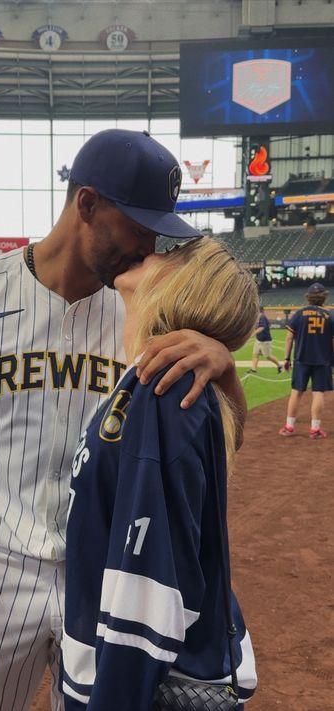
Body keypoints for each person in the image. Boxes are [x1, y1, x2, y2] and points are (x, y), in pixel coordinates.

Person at [0, 129, 247, 711]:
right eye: (137, 223)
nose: (148, 243)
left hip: (107, 575)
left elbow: (219, 439)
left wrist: (223, 366)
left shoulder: (147, 310)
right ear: (87, 204)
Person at [62, 237, 259, 710]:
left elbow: (147, 600)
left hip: (141, 684)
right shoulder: (155, 385)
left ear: (182, 287)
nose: (146, 250)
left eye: (167, 255)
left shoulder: (165, 395)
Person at [279, 282, 334, 439]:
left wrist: (286, 358)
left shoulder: (299, 314)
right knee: (318, 393)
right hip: (323, 361)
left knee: (296, 392)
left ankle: (289, 427)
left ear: (308, 297)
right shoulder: (330, 315)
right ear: (324, 297)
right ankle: (314, 429)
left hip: (301, 359)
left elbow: (289, 338)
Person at [247, 305, 282, 374]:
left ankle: (280, 366)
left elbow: (262, 327)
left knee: (268, 356)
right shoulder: (258, 317)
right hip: (259, 339)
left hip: (265, 341)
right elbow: (257, 327)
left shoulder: (262, 317)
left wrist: (253, 333)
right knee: (255, 354)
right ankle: (253, 369)